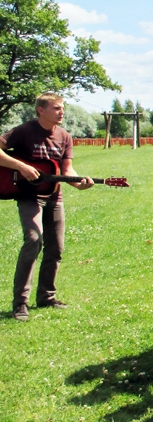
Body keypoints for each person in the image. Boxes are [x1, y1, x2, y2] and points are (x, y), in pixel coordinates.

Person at [0, 93, 94, 322]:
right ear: (41, 110)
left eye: (62, 108)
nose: (62, 112)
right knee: (34, 240)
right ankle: (20, 303)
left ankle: (46, 297)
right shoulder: (23, 131)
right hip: (28, 195)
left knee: (56, 248)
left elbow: (67, 170)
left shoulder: (65, 137)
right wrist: (20, 166)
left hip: (54, 196)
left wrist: (79, 183)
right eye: (56, 108)